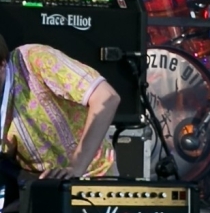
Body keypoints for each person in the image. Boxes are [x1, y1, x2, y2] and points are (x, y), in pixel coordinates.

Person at [0, 34, 120, 181]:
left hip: (93, 178)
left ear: (2, 65)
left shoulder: (34, 59)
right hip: (41, 185)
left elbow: (107, 97)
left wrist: (76, 167)